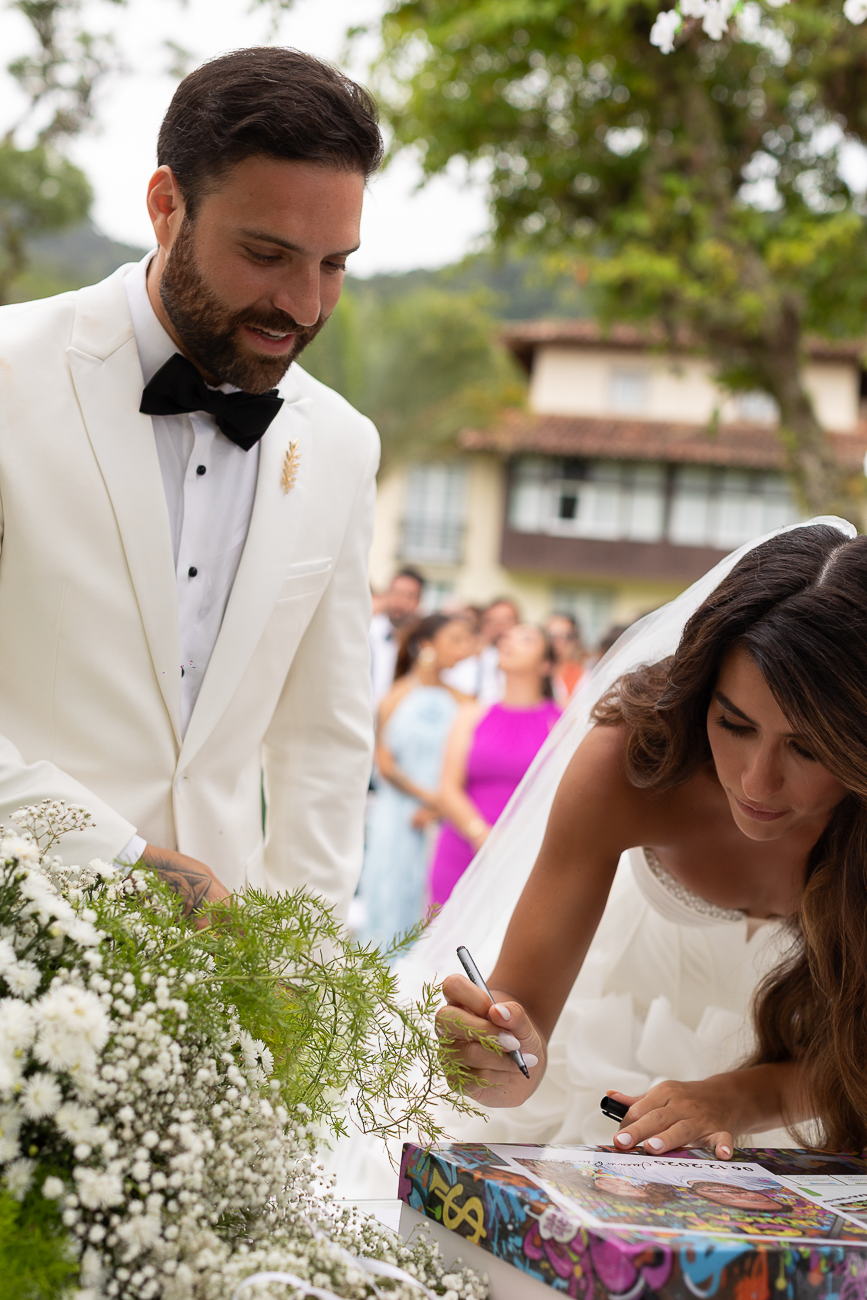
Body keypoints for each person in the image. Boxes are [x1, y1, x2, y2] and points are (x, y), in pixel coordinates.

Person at [0, 48, 384, 921]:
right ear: (166, 206)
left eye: (334, 265)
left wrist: (299, 979)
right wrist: (131, 866)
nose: (304, 306)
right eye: (267, 253)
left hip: (219, 1001)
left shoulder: (342, 446)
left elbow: (321, 749)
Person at [428, 518, 867, 1158]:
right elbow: (524, 1026)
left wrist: (739, 1098)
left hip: (830, 1096)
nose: (757, 781)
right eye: (734, 723)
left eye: (808, 748)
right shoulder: (627, 762)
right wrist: (505, 1060)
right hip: (613, 1037)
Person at [358, 613, 474, 949]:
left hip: (445, 814)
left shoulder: (466, 701)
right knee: (392, 894)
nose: (464, 648)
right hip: (400, 813)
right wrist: (430, 798)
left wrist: (441, 806)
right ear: (427, 645)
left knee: (435, 905)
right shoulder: (396, 694)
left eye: (467, 640)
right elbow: (385, 763)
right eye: (455, 639)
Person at [429, 625, 561, 906]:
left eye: (525, 639)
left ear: (546, 664)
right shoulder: (471, 715)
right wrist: (482, 835)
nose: (509, 640)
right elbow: (448, 788)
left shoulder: (562, 723)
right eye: (508, 636)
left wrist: (515, 842)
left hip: (527, 854)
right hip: (462, 847)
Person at [369, 568, 425, 709]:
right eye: (396, 593)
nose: (400, 602)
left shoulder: (419, 644)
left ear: (419, 601)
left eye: (409, 596)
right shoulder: (366, 632)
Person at [473, 597, 520, 703]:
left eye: (507, 620)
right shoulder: (473, 662)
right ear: (483, 626)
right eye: (493, 621)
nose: (500, 626)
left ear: (519, 623)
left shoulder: (530, 665)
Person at [545, 613, 589, 706]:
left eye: (566, 636)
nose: (557, 642)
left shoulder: (586, 675)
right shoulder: (537, 673)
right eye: (551, 636)